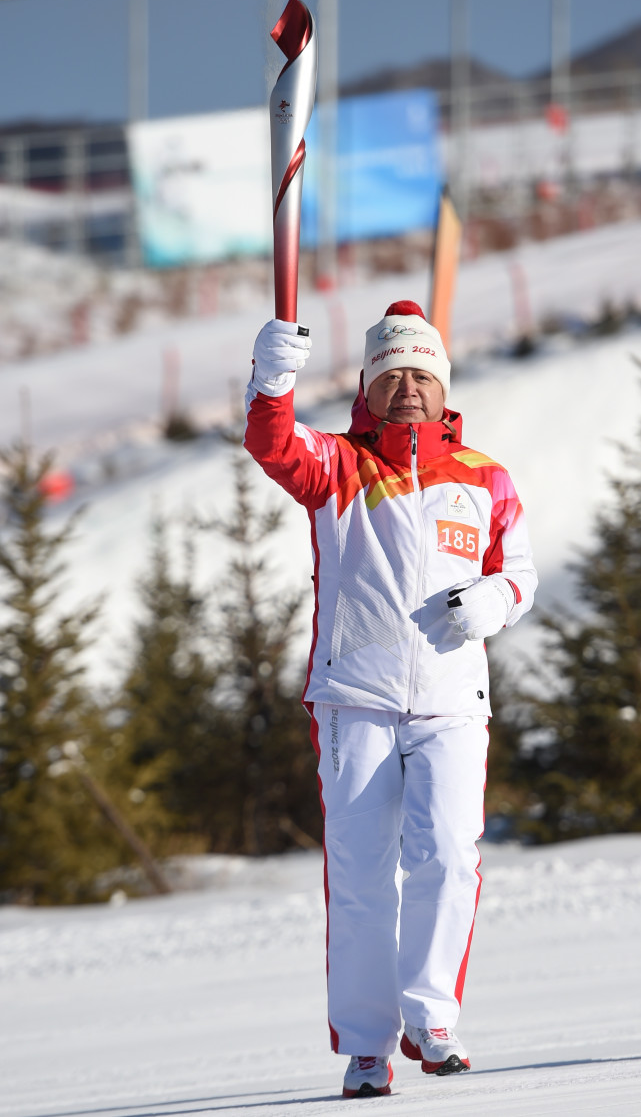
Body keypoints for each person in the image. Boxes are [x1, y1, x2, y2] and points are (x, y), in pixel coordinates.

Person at [244, 300, 537, 1099]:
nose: (406, 387)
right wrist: (271, 380)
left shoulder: (484, 476)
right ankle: (367, 1044)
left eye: (420, 375)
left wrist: (495, 600)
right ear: (368, 390)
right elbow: (272, 445)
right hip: (355, 697)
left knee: (447, 854)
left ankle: (431, 1019)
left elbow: (520, 571)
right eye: (390, 376)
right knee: (362, 872)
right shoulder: (337, 465)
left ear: (443, 389)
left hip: (450, 698)